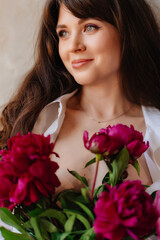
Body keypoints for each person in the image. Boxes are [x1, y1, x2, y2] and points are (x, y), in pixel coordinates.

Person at [0, 0, 160, 193]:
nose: (73, 46)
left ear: (127, 29)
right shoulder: (31, 120)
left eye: (89, 27)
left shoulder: (156, 128)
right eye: (63, 33)